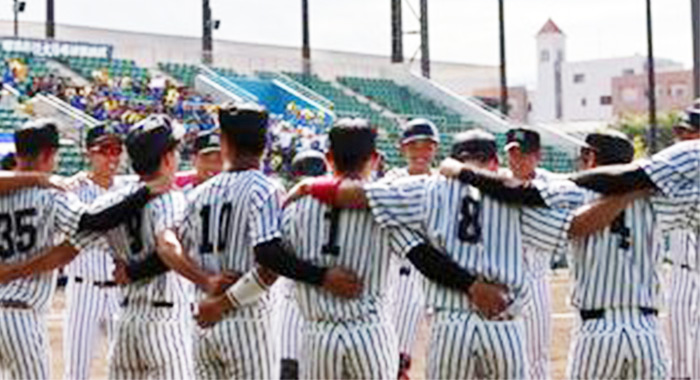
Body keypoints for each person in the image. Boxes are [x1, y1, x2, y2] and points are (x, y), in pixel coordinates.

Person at [287, 129, 598, 379]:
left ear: (451, 160)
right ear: (494, 162)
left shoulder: (428, 188)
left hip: (451, 325)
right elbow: (570, 226)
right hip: (503, 322)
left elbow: (367, 196)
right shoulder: (515, 195)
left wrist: (310, 186)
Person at [441, 130, 699, 379]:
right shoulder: (659, 198)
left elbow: (517, 191)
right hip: (647, 332)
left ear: (591, 158)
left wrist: (463, 173)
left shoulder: (574, 191)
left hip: (596, 331)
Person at [0, 118, 163, 379]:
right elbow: (94, 221)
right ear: (48, 154)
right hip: (26, 313)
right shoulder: (56, 193)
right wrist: (145, 192)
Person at [62, 124, 131, 380]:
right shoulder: (74, 189)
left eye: (117, 150)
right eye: (104, 150)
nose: (112, 157)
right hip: (83, 290)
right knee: (76, 371)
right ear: (88, 153)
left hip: (119, 292)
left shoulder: (128, 189)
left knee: (125, 367)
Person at [383, 118, 440, 379]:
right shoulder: (392, 180)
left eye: (426, 146)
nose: (419, 152)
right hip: (403, 276)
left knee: (446, 354)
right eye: (413, 146)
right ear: (402, 149)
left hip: (440, 277)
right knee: (396, 357)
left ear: (435, 149)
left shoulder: (443, 182)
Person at [503, 127, 557, 379]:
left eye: (524, 154)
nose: (517, 160)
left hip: (536, 280)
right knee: (504, 356)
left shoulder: (551, 184)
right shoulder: (497, 182)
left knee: (537, 357)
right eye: (513, 154)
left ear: (538, 156)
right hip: (503, 282)